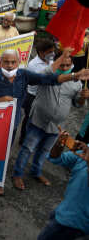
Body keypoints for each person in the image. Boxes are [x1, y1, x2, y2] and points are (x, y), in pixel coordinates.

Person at [0, 49, 89, 143]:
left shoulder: (23, 75)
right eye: (6, 62)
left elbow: (49, 79)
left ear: (18, 62)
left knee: (4, 153)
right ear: (0, 63)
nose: (10, 65)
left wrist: (74, 75)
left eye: (13, 62)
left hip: (12, 124)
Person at [12, 50, 89, 191]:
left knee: (44, 151)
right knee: (27, 148)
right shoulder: (48, 75)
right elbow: (46, 73)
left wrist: (83, 97)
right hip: (38, 120)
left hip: (56, 126)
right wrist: (63, 56)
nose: (64, 68)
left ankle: (36, 172)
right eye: (62, 65)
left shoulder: (77, 84)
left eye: (67, 65)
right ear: (56, 63)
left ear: (72, 65)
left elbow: (77, 104)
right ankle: (17, 174)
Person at [38, 133, 89, 239]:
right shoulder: (86, 151)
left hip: (74, 222)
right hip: (64, 210)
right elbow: (55, 158)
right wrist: (59, 144)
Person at [19, 38, 55, 144]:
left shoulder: (51, 60)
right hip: (32, 96)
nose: (52, 54)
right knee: (29, 118)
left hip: (45, 96)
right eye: (50, 52)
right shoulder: (33, 65)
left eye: (53, 51)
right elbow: (33, 82)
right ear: (41, 52)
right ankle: (23, 138)